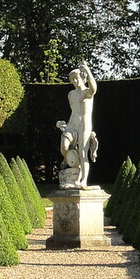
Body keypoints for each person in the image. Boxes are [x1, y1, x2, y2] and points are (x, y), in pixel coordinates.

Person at [59, 60, 98, 188]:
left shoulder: (87, 93)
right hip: (72, 124)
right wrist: (64, 125)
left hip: (84, 126)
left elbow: (94, 88)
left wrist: (87, 70)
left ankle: (83, 180)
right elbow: (74, 111)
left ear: (83, 78)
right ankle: (71, 160)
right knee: (64, 147)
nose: (74, 82)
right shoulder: (71, 94)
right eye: (72, 80)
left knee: (83, 154)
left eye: (76, 78)